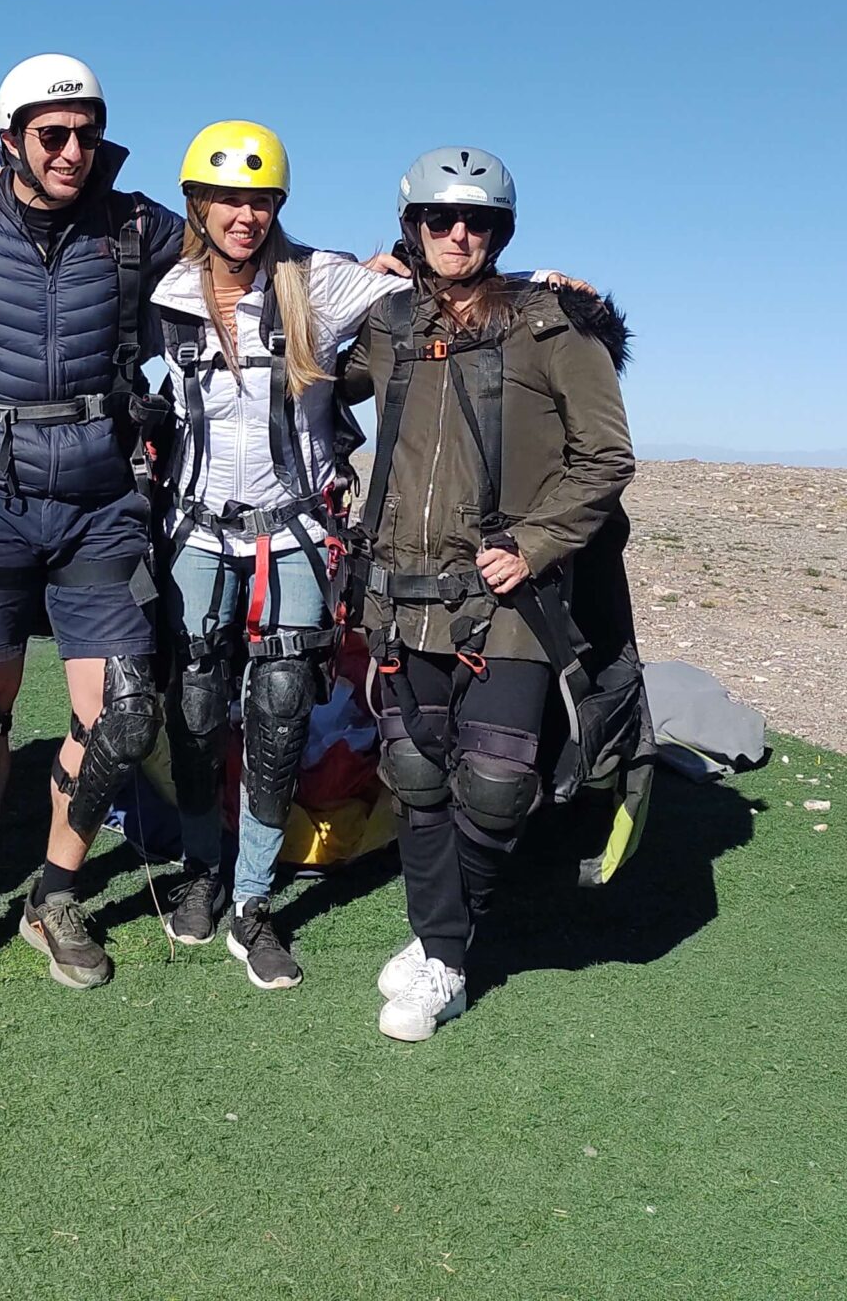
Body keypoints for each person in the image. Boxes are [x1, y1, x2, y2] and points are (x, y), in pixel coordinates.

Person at [0, 55, 186, 989]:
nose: (72, 150)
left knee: (125, 715)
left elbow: (247, 251)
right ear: (10, 139)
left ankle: (53, 896)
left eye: (86, 133)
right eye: (52, 134)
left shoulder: (139, 226)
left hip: (104, 502)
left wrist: (384, 270)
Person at [341, 145, 635, 1042]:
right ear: (414, 227)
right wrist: (348, 286)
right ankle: (444, 953)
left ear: (501, 233)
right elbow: (308, 380)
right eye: (440, 218)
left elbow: (606, 457)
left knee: (499, 786)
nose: (458, 234)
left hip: (507, 599)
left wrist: (537, 544)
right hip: (401, 591)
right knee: (417, 776)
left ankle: (441, 945)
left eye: (477, 221)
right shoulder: (389, 323)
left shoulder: (552, 326)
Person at [148, 120, 407, 989]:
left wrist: (543, 287)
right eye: (226, 199)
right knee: (195, 703)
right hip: (194, 529)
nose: (244, 216)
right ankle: (201, 871)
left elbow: (437, 290)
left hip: (293, 528)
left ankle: (253, 900)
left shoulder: (318, 282)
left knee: (283, 705)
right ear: (197, 204)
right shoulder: (164, 289)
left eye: (259, 201)